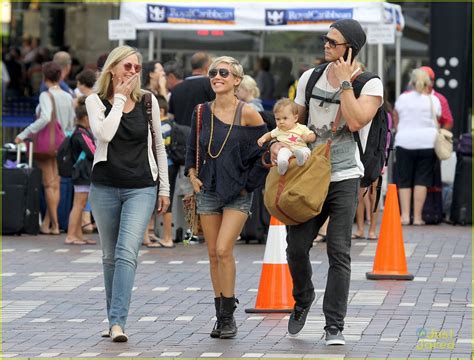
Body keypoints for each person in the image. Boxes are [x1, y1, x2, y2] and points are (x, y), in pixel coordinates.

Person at [270, 19, 383, 345]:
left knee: (339, 251)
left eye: (332, 42)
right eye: (325, 40)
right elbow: (295, 121)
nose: (326, 46)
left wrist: (346, 84)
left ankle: (334, 325)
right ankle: (303, 297)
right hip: (308, 175)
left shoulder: (369, 84)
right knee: (297, 248)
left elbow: (356, 119)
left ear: (350, 48)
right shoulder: (311, 77)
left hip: (345, 174)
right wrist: (278, 142)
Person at [85, 45, 170, 342]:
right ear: (112, 69)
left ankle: (118, 322)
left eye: (137, 68)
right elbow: (104, 134)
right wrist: (119, 99)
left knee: (125, 253)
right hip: (105, 185)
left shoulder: (148, 101)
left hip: (142, 186)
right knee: (109, 256)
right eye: (127, 67)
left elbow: (159, 145)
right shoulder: (94, 101)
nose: (133, 72)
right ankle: (113, 321)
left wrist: (165, 188)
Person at [185, 56, 267, 339]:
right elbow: (192, 147)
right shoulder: (200, 112)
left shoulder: (248, 113)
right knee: (211, 254)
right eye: (213, 72)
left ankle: (229, 316)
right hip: (207, 189)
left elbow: (264, 153)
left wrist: (248, 185)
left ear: (236, 80)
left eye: (223, 72)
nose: (217, 76)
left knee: (223, 250)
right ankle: (221, 317)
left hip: (237, 193)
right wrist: (192, 174)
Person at [15, 61, 75, 235]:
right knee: (55, 184)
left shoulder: (45, 95)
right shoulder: (67, 96)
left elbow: (45, 117)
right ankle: (47, 223)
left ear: (44, 77)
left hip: (46, 145)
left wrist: (24, 134)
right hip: (62, 142)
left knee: (49, 185)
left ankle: (54, 225)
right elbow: (71, 122)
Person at [393, 68, 441, 226]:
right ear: (428, 82)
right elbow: (438, 119)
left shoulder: (402, 98)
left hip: (405, 141)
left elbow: (396, 118)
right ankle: (418, 217)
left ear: (411, 83)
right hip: (427, 142)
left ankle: (405, 216)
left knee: (404, 179)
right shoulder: (433, 100)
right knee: (422, 179)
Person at [143, 95, 178, 248]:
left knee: (156, 201)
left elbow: (157, 146)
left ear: (161, 110)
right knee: (162, 201)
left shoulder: (162, 126)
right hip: (170, 166)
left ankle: (164, 237)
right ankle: (161, 236)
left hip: (162, 166)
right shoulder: (171, 125)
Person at [65, 96, 97, 245]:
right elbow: (93, 152)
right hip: (82, 173)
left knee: (80, 203)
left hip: (82, 172)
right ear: (85, 118)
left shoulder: (79, 132)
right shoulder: (81, 134)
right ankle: (71, 235)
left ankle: (77, 235)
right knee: (79, 203)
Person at [258, 98, 315, 175]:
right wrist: (263, 138)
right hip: (287, 149)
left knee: (306, 150)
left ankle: (301, 158)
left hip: (299, 148)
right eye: (278, 119)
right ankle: (282, 164)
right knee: (282, 152)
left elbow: (313, 136)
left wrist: (307, 138)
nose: (281, 122)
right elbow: (269, 134)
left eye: (285, 118)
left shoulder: (301, 128)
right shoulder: (278, 130)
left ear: (295, 118)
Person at [169, 52, 215, 127]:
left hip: (180, 135)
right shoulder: (211, 85)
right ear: (207, 67)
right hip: (204, 134)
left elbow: (171, 116)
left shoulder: (176, 89)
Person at [420, 66, 454, 130]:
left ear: (432, 82)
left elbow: (448, 122)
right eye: (418, 79)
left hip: (430, 137)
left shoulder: (440, 99)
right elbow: (396, 114)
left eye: (424, 80)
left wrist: (440, 136)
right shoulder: (406, 95)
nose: (421, 82)